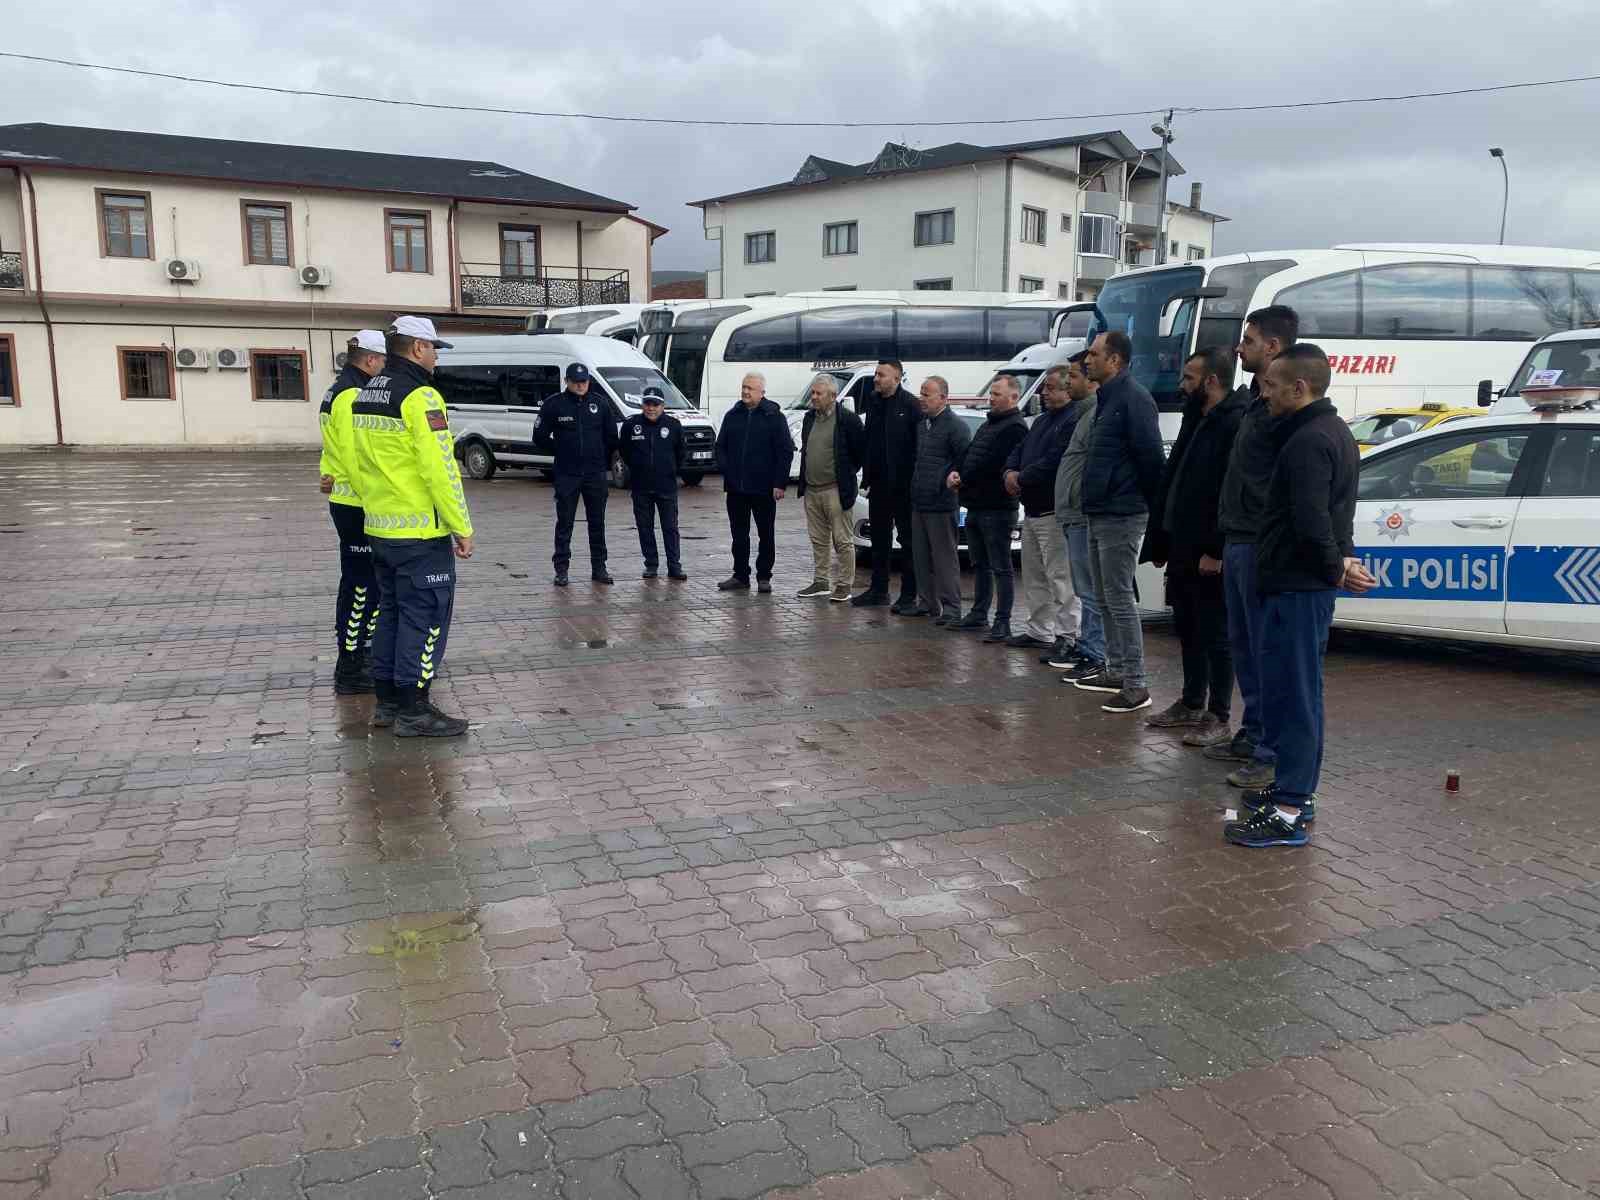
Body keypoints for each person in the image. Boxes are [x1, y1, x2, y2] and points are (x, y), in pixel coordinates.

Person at [1226, 345, 1374, 847]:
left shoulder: (1310, 440)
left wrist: (1335, 568)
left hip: (1297, 587)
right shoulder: (1327, 433)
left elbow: (1313, 519)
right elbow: (1338, 514)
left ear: (1299, 388)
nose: (1263, 394)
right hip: (1295, 583)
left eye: (1270, 386)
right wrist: (1340, 562)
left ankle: (1290, 809)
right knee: (1292, 692)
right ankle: (1291, 790)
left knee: (1295, 696)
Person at [350, 316, 474, 738]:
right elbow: (441, 470)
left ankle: (386, 702)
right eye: (434, 348)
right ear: (418, 348)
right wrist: (461, 526)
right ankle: (414, 709)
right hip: (420, 532)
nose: (437, 357)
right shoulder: (421, 397)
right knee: (425, 619)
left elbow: (359, 462)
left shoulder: (367, 392)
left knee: (391, 615)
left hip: (380, 527)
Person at [1209, 305, 1299, 787]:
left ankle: (1270, 752)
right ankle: (1253, 733)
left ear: (1273, 347)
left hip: (1260, 544)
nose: (1238, 349)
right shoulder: (1252, 403)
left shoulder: (1286, 413)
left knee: (1267, 651)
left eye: (1248, 340)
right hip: (1237, 538)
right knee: (1245, 647)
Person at [1142, 347, 1249, 743]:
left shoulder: (1234, 422)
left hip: (1208, 550)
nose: (1181, 385)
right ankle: (1190, 702)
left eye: (1188, 378)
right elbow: (1178, 479)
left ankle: (1218, 715)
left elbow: (1227, 492)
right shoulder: (1196, 417)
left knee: (1216, 633)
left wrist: (1216, 550)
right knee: (1187, 627)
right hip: (1182, 544)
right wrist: (1162, 540)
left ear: (1211, 381)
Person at [1073, 330, 1164, 713]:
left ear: (1114, 361)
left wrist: (1153, 514)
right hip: (1099, 511)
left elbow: (1151, 462)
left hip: (1122, 513)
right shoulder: (1106, 399)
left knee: (1120, 598)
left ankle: (1136, 683)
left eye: (1093, 354)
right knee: (1106, 596)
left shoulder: (1134, 399)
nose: (1086, 360)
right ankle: (1116, 668)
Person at [318, 329, 386, 695]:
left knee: (359, 584)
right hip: (357, 504)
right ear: (371, 360)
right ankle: (352, 665)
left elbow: (329, 454)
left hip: (345, 500)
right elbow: (354, 455)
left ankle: (361, 656)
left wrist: (325, 477)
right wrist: (377, 499)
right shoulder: (352, 396)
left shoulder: (336, 389)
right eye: (384, 361)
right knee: (363, 587)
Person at [1003, 365, 1084, 662]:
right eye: (1045, 388)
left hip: (1054, 510)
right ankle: (1039, 629)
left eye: (1050, 387)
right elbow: (1019, 449)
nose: (1044, 393)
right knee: (1035, 576)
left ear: (1067, 389)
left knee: (1061, 578)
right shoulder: (1041, 421)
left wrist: (1020, 477)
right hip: (1033, 510)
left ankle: (1068, 636)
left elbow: (1055, 461)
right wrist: (1010, 471)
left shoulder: (1072, 420)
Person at [949, 373, 1029, 642]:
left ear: (1013, 397)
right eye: (991, 393)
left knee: (1001, 566)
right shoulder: (989, 424)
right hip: (975, 505)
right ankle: (979, 613)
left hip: (997, 508)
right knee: (979, 563)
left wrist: (965, 479)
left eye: (996, 394)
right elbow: (971, 454)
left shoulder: (1015, 427)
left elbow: (994, 465)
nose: (990, 398)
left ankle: (1002, 621)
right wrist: (957, 472)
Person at [534, 362, 617, 587]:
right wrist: (560, 451)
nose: (580, 385)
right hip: (567, 474)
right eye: (576, 381)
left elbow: (611, 436)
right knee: (565, 523)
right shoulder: (554, 405)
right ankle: (561, 569)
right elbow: (539, 436)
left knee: (597, 523)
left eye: (584, 381)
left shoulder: (600, 404)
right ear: (567, 381)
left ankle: (599, 568)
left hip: (595, 474)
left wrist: (599, 457)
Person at [1051, 353, 1107, 681]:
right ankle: (1089, 647)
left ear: (1091, 380)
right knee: (1084, 589)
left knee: (1090, 591)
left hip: (1083, 515)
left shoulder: (1095, 413)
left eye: (1073, 376)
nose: (1067, 382)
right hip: (1072, 514)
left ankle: (1095, 653)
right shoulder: (1082, 414)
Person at [715, 372, 794, 593]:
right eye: (744, 387)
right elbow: (721, 446)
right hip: (736, 489)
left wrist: (779, 483)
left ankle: (764, 577)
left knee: (765, 534)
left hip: (764, 488)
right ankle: (740, 575)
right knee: (739, 535)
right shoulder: (733, 415)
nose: (745, 392)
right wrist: (726, 469)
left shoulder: (774, 416)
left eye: (750, 388)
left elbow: (785, 451)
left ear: (762, 392)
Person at [851, 359, 920, 610]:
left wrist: (912, 479)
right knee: (879, 540)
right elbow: (870, 440)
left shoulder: (911, 405)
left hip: (903, 486)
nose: (876, 379)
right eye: (876, 374)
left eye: (881, 375)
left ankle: (909, 594)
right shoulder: (874, 401)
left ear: (897, 378)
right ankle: (878, 590)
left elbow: (918, 447)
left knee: (907, 541)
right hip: (878, 484)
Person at [795, 373, 866, 602]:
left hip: (836, 489)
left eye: (818, 393)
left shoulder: (847, 420)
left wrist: (845, 477)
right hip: (812, 489)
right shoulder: (809, 418)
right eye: (812, 393)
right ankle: (821, 581)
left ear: (833, 396)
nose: (813, 397)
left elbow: (859, 454)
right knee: (818, 539)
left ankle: (844, 585)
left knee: (842, 540)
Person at [909, 375, 972, 624]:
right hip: (920, 501)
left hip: (942, 504)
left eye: (927, 394)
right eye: (921, 393)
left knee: (945, 559)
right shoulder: (922, 425)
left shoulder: (955, 426)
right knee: (921, 557)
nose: (921, 399)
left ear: (943, 398)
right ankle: (927, 602)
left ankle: (952, 608)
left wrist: (948, 480)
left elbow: (964, 461)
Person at [619, 386, 687, 581]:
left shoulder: (673, 425)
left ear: (662, 406)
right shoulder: (631, 425)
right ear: (643, 405)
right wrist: (638, 468)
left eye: (655, 404)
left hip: (666, 487)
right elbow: (624, 450)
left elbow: (681, 452)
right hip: (641, 487)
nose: (651, 408)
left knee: (670, 528)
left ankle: (674, 566)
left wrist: (671, 470)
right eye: (647, 404)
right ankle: (651, 564)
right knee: (644, 527)